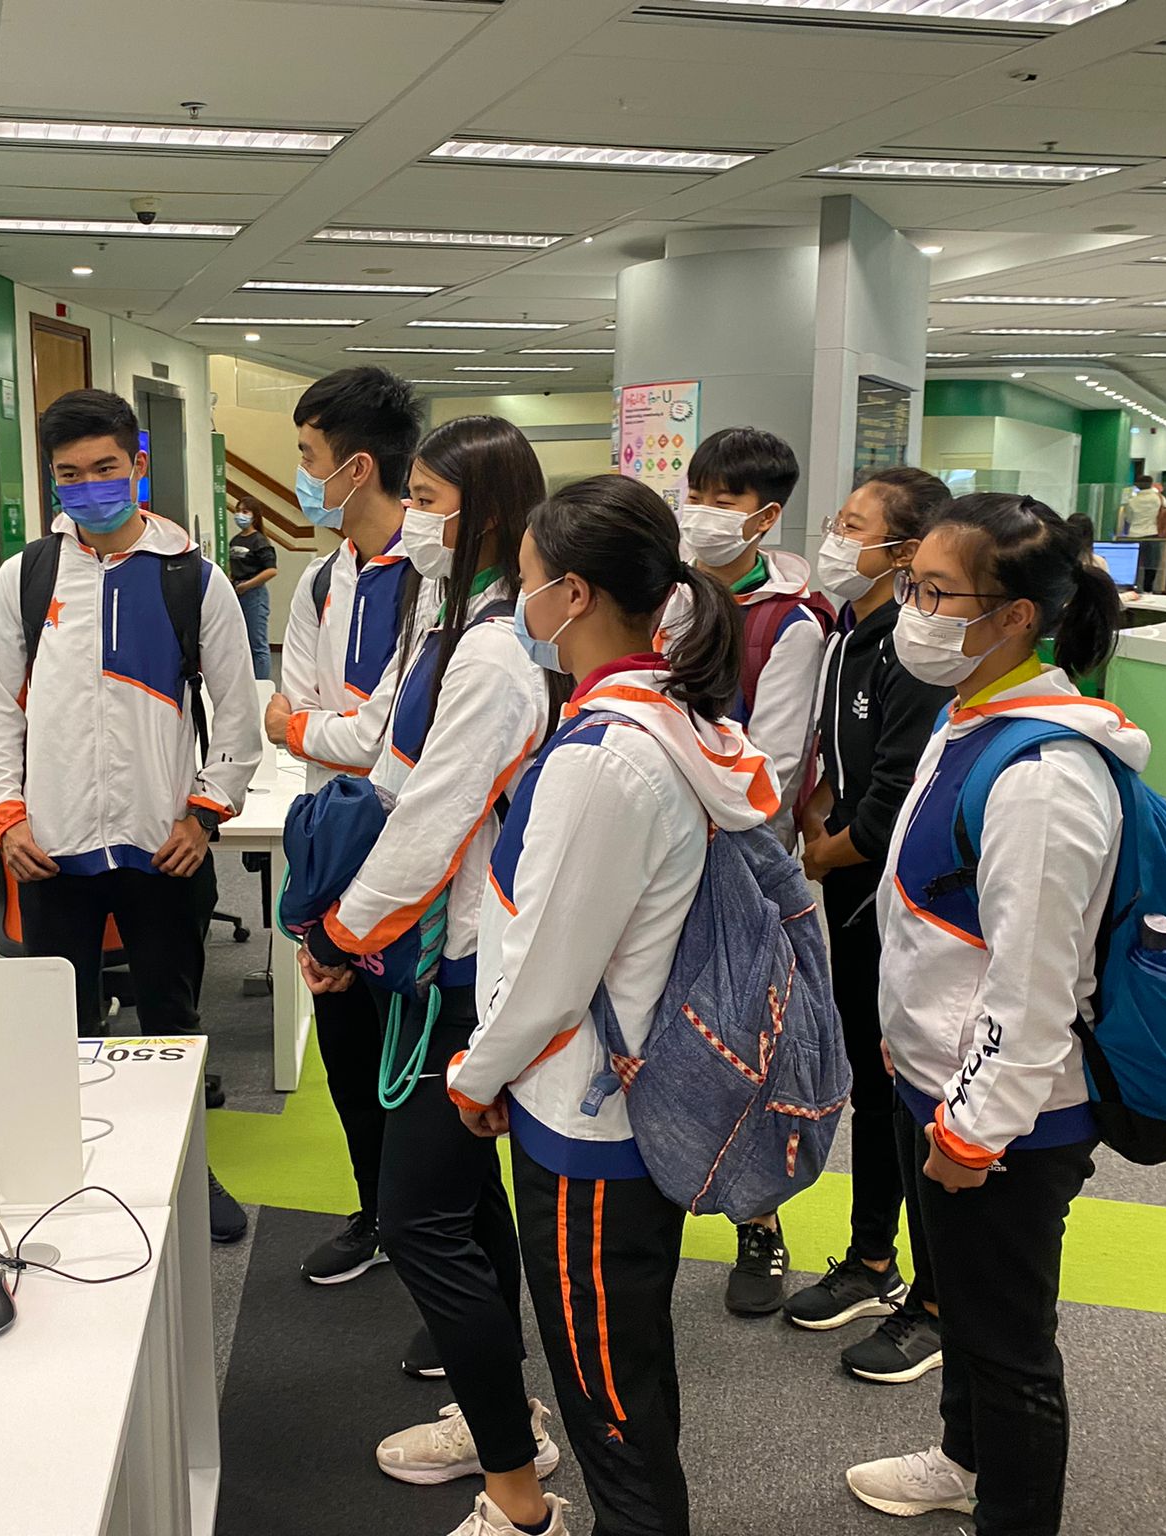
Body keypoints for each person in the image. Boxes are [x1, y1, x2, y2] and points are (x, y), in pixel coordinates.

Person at [446, 474, 766, 1536]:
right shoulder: (669, 720)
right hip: (620, 1099)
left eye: (525, 585)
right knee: (623, 1383)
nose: (516, 607)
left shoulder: (605, 758)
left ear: (573, 594)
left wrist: (475, 1074)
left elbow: (547, 968)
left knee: (611, 1412)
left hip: (587, 1118)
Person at [846, 493, 1140, 1534]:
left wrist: (972, 1131)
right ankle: (960, 1457)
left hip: (1008, 1116)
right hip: (934, 1080)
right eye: (909, 583)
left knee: (1008, 1341)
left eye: (932, 592)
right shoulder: (973, 716)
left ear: (1013, 615)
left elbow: (1033, 987)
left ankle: (1010, 1511)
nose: (908, 609)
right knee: (962, 1312)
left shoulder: (1045, 775)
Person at [298, 416, 560, 1536]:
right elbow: (393, 765)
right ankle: (501, 1418)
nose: (411, 516)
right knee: (459, 1211)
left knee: (416, 1221)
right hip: (422, 958)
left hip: (455, 973)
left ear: (488, 514)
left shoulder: (497, 655)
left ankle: (517, 1498)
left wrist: (341, 935)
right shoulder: (445, 627)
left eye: (429, 497)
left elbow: (435, 820)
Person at [0, 387, 261, 1242]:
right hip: (48, 846)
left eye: (104, 469)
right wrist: (6, 814)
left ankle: (183, 1169)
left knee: (171, 1022)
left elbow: (236, 715)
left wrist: (203, 817)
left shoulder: (189, 578)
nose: (90, 487)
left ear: (137, 464)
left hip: (160, 844)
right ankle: (67, 1177)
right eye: (69, 475)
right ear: (51, 482)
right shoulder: (26, 577)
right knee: (61, 1025)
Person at [784, 467, 955, 1385]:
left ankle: (934, 1300)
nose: (836, 536)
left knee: (918, 1091)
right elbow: (840, 767)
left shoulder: (915, 653)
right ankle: (872, 1258)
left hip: (904, 906)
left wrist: (818, 853)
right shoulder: (849, 633)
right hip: (855, 905)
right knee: (873, 1088)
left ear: (906, 548)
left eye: (855, 525)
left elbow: (890, 806)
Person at [264, 366, 430, 1295]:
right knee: (344, 1048)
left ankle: (422, 1231)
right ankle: (372, 1212)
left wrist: (308, 728)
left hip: (411, 861)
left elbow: (375, 735)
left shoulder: (433, 583)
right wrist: (319, 731)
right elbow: (303, 708)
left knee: (412, 1061)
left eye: (307, 458)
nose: (302, 475)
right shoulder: (323, 578)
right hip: (330, 847)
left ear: (356, 466)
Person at [679, 425, 830, 1316]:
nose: (701, 513)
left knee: (747, 1049)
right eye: (696, 492)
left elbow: (767, 773)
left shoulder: (790, 623)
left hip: (739, 866)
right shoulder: (672, 595)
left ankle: (760, 1228)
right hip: (656, 860)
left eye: (723, 500)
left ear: (765, 516)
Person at [227, 496, 279, 680]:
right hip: (237, 593)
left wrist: (247, 585)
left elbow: (271, 570)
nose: (240, 515)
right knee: (241, 642)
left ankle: (262, 684)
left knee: (258, 644)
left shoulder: (260, 541)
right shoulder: (234, 541)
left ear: (254, 516)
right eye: (238, 510)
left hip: (254, 595)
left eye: (245, 511)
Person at [1114, 473, 1164, 539]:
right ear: (1151, 484)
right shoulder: (1159, 498)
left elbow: (1128, 518)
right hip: (1152, 532)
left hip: (1134, 534)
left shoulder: (1131, 501)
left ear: (1136, 485)